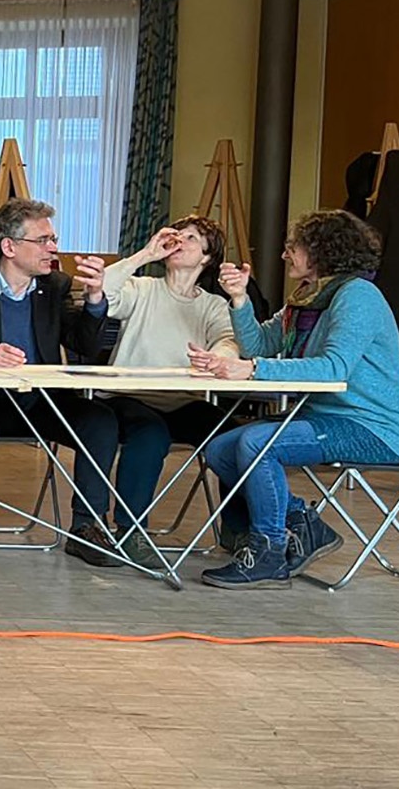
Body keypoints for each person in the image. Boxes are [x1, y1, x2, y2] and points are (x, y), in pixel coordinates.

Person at [190, 210, 399, 589]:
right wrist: (241, 299)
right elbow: (259, 344)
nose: (285, 254)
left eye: (294, 247)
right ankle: (305, 525)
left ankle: (268, 553)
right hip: (326, 417)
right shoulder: (308, 299)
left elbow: (333, 369)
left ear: (323, 252)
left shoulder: (358, 296)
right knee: (221, 450)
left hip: (374, 426)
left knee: (257, 444)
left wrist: (254, 369)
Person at [0, 199, 119, 565]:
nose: (54, 248)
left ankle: (86, 526)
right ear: (9, 246)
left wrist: (95, 300)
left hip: (41, 401)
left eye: (54, 239)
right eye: (44, 240)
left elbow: (83, 344)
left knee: (99, 420)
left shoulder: (56, 286)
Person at [94, 216, 238, 566]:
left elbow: (227, 341)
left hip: (184, 401)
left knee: (238, 438)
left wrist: (216, 358)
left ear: (207, 257)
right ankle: (130, 532)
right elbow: (101, 291)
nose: (179, 241)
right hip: (128, 397)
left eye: (191, 238)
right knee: (151, 435)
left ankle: (240, 531)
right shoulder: (142, 288)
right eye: (177, 235)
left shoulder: (213, 305)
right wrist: (144, 254)